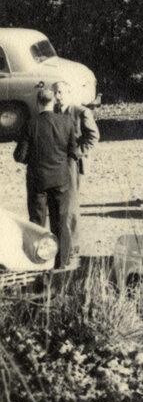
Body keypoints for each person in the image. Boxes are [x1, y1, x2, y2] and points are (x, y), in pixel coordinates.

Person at [12, 85, 83, 269]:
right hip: (60, 179)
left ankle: (38, 263)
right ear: (53, 102)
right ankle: (61, 263)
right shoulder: (67, 122)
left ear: (38, 103)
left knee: (37, 222)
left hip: (37, 180)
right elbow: (73, 152)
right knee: (59, 222)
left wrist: (33, 158)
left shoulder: (30, 124)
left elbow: (19, 156)